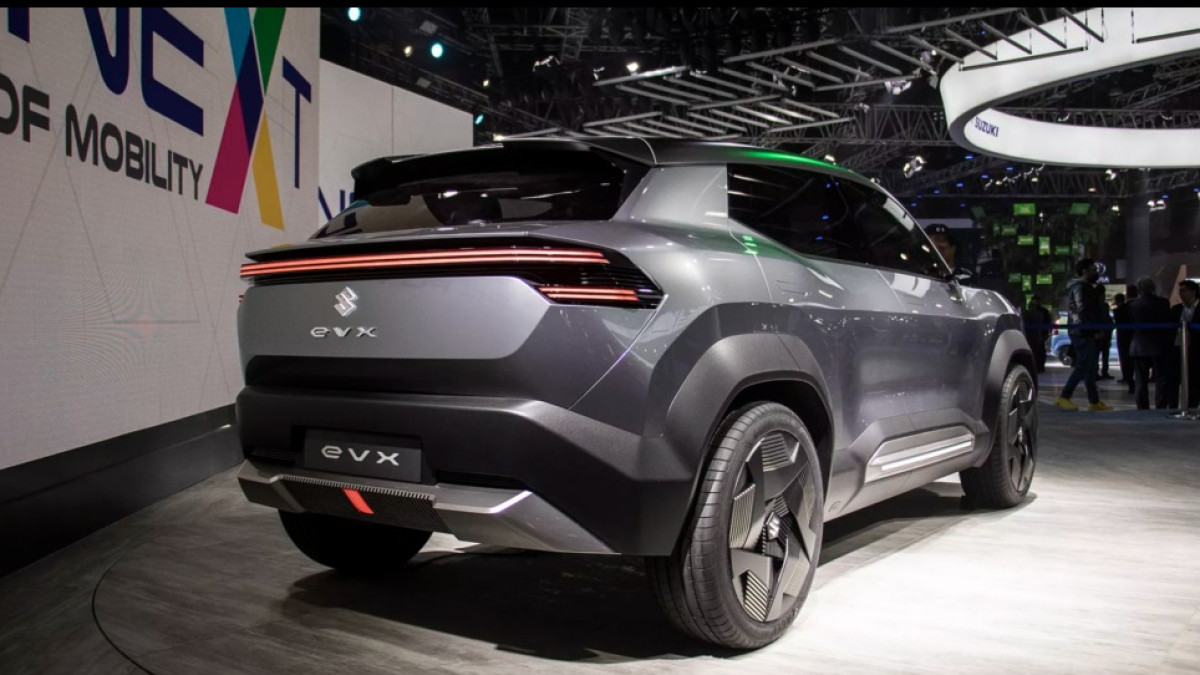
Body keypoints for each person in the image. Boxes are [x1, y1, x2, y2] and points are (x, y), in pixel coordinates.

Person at [1055, 258, 1114, 411]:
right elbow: (1083, 311)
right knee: (1083, 365)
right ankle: (1064, 396)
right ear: (1084, 271)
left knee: (1090, 367)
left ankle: (1094, 401)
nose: (1096, 273)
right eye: (1093, 270)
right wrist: (1094, 330)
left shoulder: (1085, 288)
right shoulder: (1080, 288)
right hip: (1082, 331)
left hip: (1085, 330)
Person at [1128, 276, 1172, 410]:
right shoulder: (1163, 303)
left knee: (1141, 379)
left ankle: (1142, 407)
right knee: (1161, 378)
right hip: (1159, 345)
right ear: (1153, 288)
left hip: (1138, 346)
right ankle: (1160, 406)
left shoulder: (1132, 305)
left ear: (1139, 289)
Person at [1167, 279, 1200, 409]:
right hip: (1178, 349)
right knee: (1174, 378)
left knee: (1194, 379)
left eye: (1184, 290)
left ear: (1193, 291)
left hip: (1196, 350)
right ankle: (1173, 406)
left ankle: (1192, 406)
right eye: (1180, 291)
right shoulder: (1176, 309)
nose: (1181, 294)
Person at [1114, 286, 1139, 394]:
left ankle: (1130, 381)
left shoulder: (1120, 309)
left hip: (1124, 337)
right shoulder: (1139, 306)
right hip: (1139, 336)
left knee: (1126, 361)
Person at [1022, 295, 1051, 373]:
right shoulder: (1042, 312)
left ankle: (1032, 367)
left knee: (1033, 351)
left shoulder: (1026, 313)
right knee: (1040, 352)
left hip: (1030, 336)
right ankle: (1039, 367)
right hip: (1039, 335)